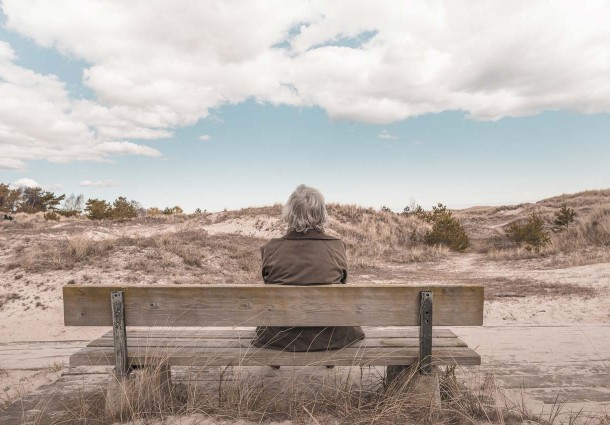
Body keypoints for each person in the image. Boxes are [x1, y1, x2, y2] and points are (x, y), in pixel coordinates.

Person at [251, 184, 365, 352]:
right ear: (321, 214)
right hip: (331, 335)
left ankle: (275, 361)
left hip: (281, 337)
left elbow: (269, 285)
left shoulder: (270, 248)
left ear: (290, 214)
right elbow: (343, 285)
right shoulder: (337, 247)